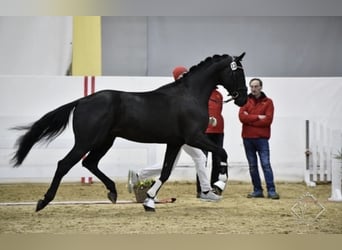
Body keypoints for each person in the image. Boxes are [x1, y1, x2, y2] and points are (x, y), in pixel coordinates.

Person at [128, 66, 221, 202]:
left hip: (182, 134)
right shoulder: (178, 93)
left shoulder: (187, 93)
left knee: (187, 161)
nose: (185, 77)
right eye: (182, 75)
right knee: (199, 158)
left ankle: (139, 175)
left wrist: (207, 119)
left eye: (186, 74)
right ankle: (205, 190)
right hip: (181, 135)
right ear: (177, 78)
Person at [238, 78, 280, 199]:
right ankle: (257, 190)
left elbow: (268, 120)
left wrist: (250, 118)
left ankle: (271, 190)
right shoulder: (245, 101)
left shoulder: (268, 102)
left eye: (256, 86)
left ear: (261, 87)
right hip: (247, 139)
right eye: (252, 86)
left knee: (265, 164)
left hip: (262, 139)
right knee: (252, 166)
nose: (254, 89)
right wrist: (258, 117)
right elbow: (241, 117)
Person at [196, 87, 225, 196]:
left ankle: (214, 187)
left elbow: (219, 111)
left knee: (217, 160)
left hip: (218, 131)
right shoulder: (201, 92)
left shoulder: (219, 94)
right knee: (202, 160)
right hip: (205, 131)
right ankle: (200, 189)